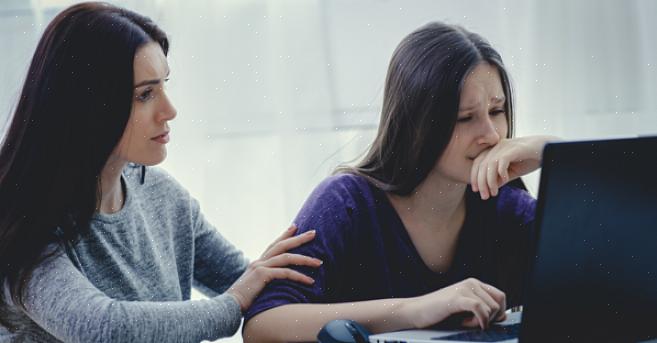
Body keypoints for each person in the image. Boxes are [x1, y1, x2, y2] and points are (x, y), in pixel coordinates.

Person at [0, 2, 321, 342]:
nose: (169, 111)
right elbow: (102, 329)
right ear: (89, 105)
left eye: (164, 85)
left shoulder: (164, 197)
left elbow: (250, 280)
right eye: (145, 95)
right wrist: (235, 302)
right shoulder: (20, 225)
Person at [242, 22, 558, 342]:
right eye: (465, 117)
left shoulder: (505, 205)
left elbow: (603, 274)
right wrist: (412, 311)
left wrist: (553, 152)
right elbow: (262, 325)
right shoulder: (347, 203)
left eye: (497, 110)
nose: (491, 135)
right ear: (416, 123)